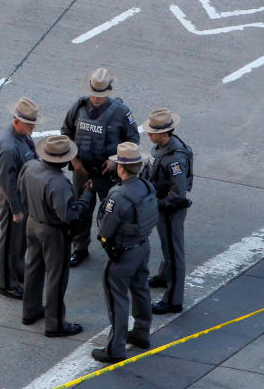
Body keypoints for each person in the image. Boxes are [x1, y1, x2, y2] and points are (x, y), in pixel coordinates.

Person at [61, 68, 140, 267]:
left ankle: (115, 247)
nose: (95, 98)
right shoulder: (78, 107)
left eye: (100, 95)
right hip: (82, 170)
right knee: (81, 211)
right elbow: (66, 132)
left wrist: (116, 160)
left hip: (108, 173)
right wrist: (74, 160)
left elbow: (133, 140)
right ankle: (80, 248)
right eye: (93, 93)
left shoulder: (122, 112)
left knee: (111, 212)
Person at [18, 135, 95, 337]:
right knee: (56, 276)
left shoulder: (30, 167)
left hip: (33, 222)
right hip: (53, 231)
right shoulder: (59, 183)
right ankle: (55, 323)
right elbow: (68, 214)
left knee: (32, 268)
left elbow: (21, 192)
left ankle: (30, 310)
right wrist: (86, 196)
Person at [93, 142, 158, 363]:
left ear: (121, 168)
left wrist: (107, 243)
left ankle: (115, 348)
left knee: (117, 299)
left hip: (124, 252)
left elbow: (105, 229)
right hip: (142, 246)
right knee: (141, 289)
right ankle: (142, 332)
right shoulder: (148, 187)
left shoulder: (118, 195)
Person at [139, 109, 193, 314]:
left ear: (164, 133)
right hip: (160, 204)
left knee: (174, 252)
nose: (149, 135)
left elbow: (178, 193)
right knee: (166, 246)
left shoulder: (175, 159)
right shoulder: (160, 148)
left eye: (152, 132)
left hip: (170, 210)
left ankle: (173, 300)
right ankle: (164, 276)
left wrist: (157, 204)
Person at [0, 97, 40, 299]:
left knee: (19, 240)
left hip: (23, 194)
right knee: (10, 241)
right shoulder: (9, 147)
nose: (32, 129)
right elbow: (7, 182)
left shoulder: (20, 137)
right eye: (29, 125)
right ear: (16, 121)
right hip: (14, 198)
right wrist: (17, 210)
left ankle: (18, 269)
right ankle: (7, 284)